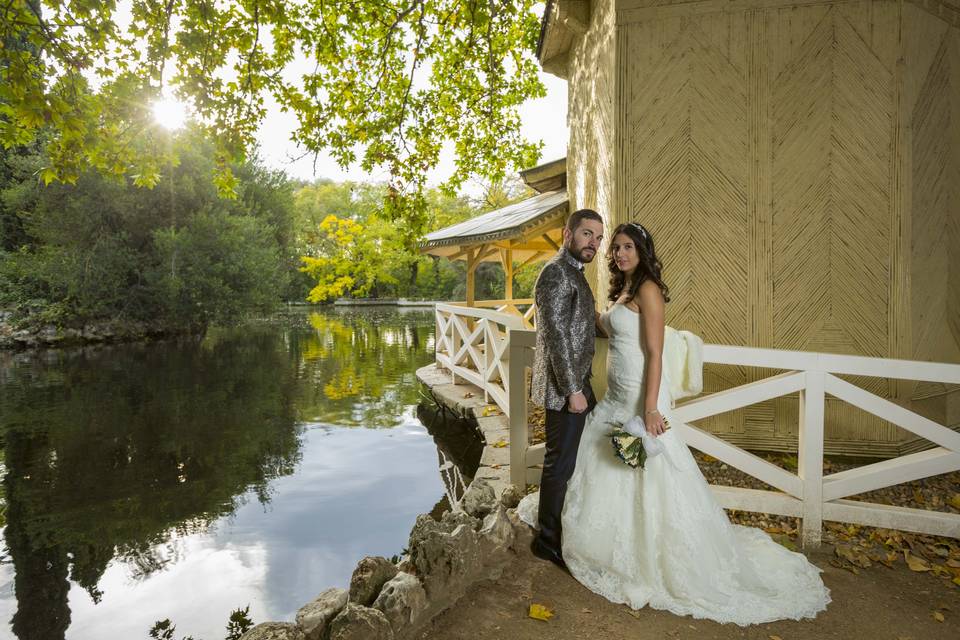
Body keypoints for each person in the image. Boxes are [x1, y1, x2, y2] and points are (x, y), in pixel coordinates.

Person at [520, 221, 830, 625]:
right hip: (614, 394)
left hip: (640, 392)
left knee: (653, 471)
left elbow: (654, 353)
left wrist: (650, 407)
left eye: (627, 247)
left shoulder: (648, 290)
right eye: (615, 247)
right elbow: (606, 325)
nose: (619, 253)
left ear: (643, 252)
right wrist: (590, 317)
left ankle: (654, 553)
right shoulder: (622, 291)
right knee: (599, 462)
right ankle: (590, 538)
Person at [529, 208, 604, 570]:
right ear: (567, 234)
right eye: (588, 234)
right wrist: (574, 390)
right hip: (564, 389)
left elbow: (578, 325)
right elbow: (557, 337)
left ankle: (558, 530)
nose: (595, 243)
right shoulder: (556, 273)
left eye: (599, 238)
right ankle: (546, 541)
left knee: (569, 463)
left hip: (578, 385)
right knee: (558, 465)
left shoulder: (576, 275)